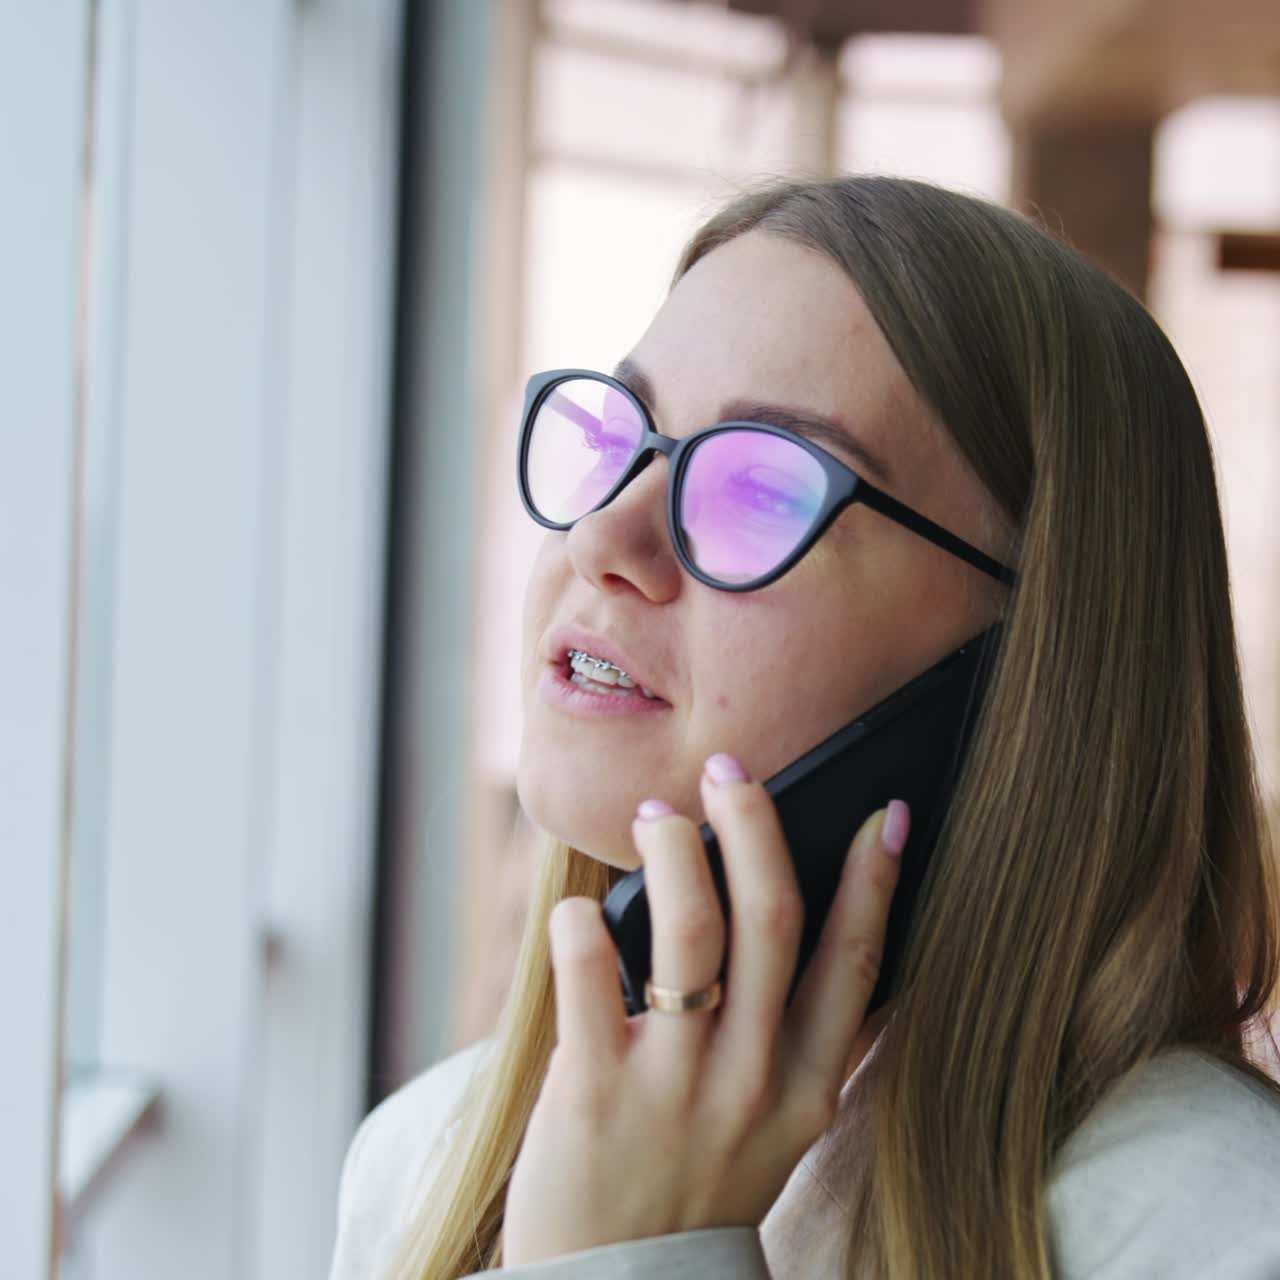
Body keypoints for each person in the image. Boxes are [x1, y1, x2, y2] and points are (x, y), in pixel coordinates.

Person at [327, 176, 1280, 1279]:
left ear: (1022, 664)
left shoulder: (1213, 1231)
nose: (603, 536)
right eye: (617, 439)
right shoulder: (421, 1153)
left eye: (761, 490)